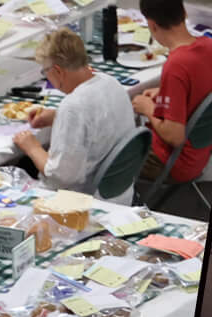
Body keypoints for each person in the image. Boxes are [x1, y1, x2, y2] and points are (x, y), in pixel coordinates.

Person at [13, 28, 139, 200]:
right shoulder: (110, 82)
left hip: (80, 203)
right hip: (119, 192)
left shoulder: (73, 107)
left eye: (45, 72)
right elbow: (98, 118)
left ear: (58, 71)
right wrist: (56, 117)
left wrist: (32, 147)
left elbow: (60, 177)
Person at [131, 0, 212, 191]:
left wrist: (148, 110)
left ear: (152, 25)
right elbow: (203, 94)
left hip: (173, 162)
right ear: (184, 12)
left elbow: (175, 136)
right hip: (204, 152)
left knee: (106, 146)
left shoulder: (176, 66)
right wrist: (165, 93)